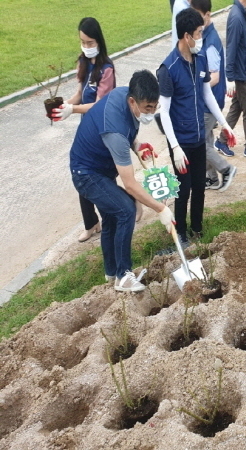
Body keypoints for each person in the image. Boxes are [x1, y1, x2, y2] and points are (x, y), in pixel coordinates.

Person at [70, 70, 174, 292]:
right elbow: (130, 185)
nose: (150, 113)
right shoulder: (115, 131)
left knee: (111, 218)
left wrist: (137, 146)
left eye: (154, 108)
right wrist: (160, 209)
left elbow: (129, 131)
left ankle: (111, 272)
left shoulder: (121, 95)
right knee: (126, 210)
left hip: (100, 169)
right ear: (132, 101)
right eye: (147, 108)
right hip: (87, 174)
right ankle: (123, 276)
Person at [158, 9, 236, 245]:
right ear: (186, 36)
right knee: (184, 189)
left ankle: (198, 229)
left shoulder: (199, 59)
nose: (202, 37)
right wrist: (175, 147)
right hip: (180, 142)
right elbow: (164, 111)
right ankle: (180, 234)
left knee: (200, 186)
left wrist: (224, 124)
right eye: (199, 33)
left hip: (199, 137)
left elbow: (207, 94)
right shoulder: (168, 69)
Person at [51, 17, 117, 243]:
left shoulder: (107, 69)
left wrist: (73, 109)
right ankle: (91, 223)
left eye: (90, 43)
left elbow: (100, 105)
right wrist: (64, 106)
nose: (86, 47)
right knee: (80, 171)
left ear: (98, 40)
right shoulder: (83, 63)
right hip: (85, 128)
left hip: (101, 128)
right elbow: (79, 93)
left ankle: (128, 202)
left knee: (104, 175)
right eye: (83, 42)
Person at [190, 0, 238, 192]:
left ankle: (226, 169)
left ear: (207, 15)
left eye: (197, 14)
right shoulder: (204, 36)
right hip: (205, 102)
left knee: (199, 143)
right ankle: (211, 178)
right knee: (207, 138)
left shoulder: (209, 42)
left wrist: (192, 87)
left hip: (209, 102)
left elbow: (215, 77)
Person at [214, 0, 246, 160]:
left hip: (243, 71)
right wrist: (230, 77)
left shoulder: (242, 11)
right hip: (239, 74)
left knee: (237, 107)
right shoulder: (237, 16)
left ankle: (222, 141)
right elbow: (231, 47)